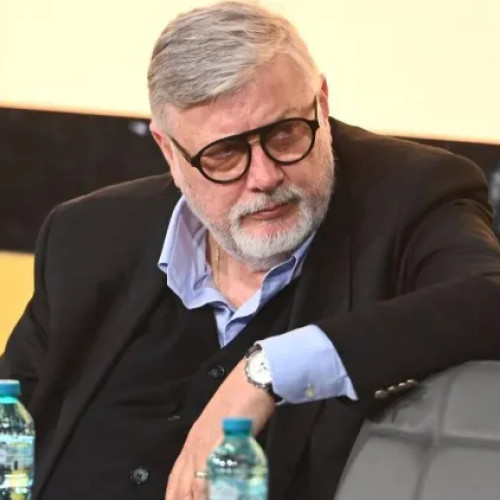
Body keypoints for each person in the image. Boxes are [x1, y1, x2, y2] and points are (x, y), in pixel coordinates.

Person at [2, 1, 500, 499]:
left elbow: (489, 298)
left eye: (285, 134)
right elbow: (11, 425)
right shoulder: (87, 237)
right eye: (223, 154)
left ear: (321, 103)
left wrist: (267, 371)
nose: (264, 177)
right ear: (168, 150)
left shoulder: (407, 198)